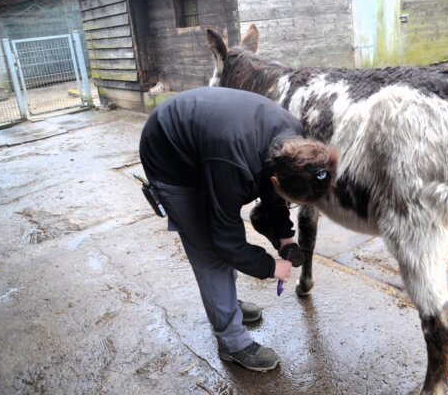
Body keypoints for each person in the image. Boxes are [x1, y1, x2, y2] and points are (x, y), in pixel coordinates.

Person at [138, 86, 337, 372]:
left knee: (220, 240)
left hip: (210, 141)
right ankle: (232, 342)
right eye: (292, 201)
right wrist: (271, 267)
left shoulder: (294, 143)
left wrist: (284, 237)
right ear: (277, 181)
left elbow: (273, 193)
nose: (288, 202)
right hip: (170, 157)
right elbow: (225, 241)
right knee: (210, 253)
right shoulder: (233, 165)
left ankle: (226, 304)